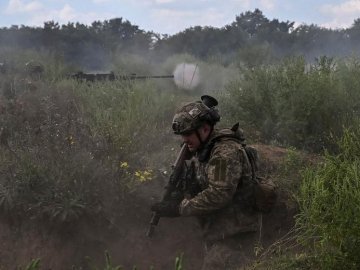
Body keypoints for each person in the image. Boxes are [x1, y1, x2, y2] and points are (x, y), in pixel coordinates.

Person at [151, 95, 260, 270]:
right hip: (218, 233)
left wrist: (179, 208)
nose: (184, 140)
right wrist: (181, 194)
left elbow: (219, 193)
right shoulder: (203, 150)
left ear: (204, 129)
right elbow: (202, 184)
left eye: (187, 134)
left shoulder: (224, 153)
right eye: (182, 135)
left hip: (236, 235)